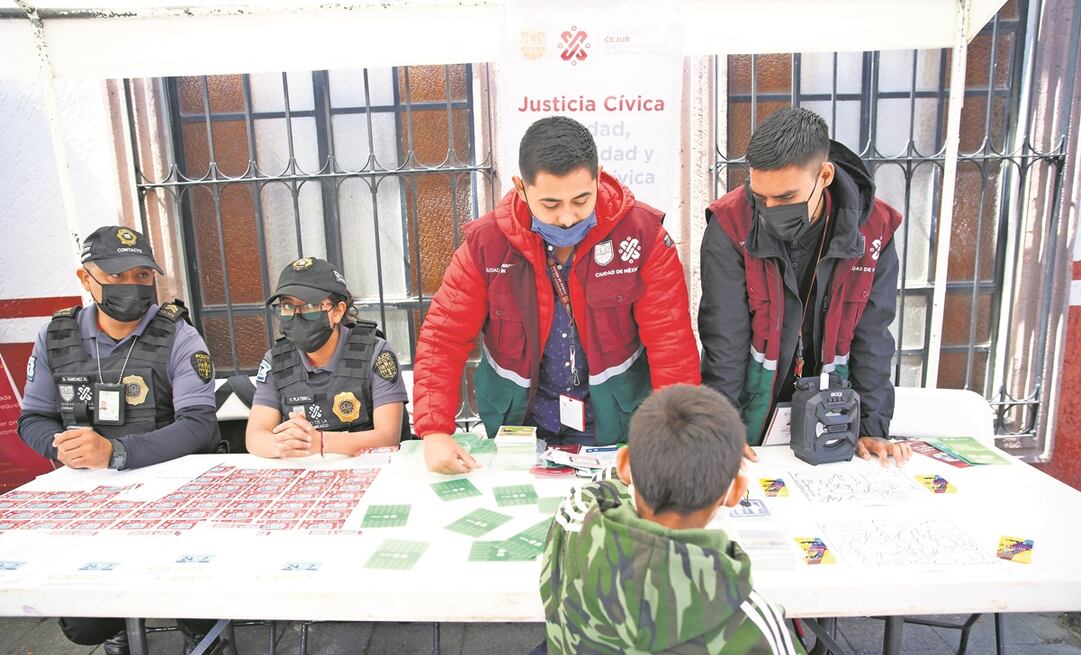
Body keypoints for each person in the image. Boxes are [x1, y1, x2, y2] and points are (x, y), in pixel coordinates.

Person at [413, 115, 699, 474]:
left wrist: (678, 427)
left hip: (616, 425)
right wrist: (434, 430)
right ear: (521, 188)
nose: (567, 218)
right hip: (520, 428)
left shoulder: (642, 236)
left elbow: (670, 341)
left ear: (599, 177)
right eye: (550, 204)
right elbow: (444, 337)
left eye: (582, 199)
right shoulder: (487, 245)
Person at [16, 225, 220, 655]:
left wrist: (116, 452)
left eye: (142, 276)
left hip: (169, 492)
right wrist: (59, 446)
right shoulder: (55, 336)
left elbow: (200, 425)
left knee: (192, 590)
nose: (132, 285)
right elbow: (32, 417)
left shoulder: (179, 336)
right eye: (117, 275)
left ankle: (197, 631)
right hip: (88, 497)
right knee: (84, 623)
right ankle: (123, 618)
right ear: (85, 277)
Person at [535, 384, 809, 655]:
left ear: (625, 465)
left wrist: (645, 461)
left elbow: (593, 491)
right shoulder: (752, 624)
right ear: (736, 492)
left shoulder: (574, 528)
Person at [699, 107, 911, 466]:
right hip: (756, 403)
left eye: (785, 198)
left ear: (824, 175)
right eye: (760, 196)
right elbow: (724, 339)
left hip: (833, 404)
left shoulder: (874, 229)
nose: (770, 208)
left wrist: (873, 426)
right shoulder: (731, 224)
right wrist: (721, 429)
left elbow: (873, 335)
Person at [246, 257, 408, 458]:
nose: (297, 315)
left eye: (310, 307)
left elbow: (388, 436)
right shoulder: (276, 361)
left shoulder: (376, 353)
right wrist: (281, 444)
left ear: (338, 311)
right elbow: (255, 436)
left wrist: (321, 442)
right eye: (287, 307)